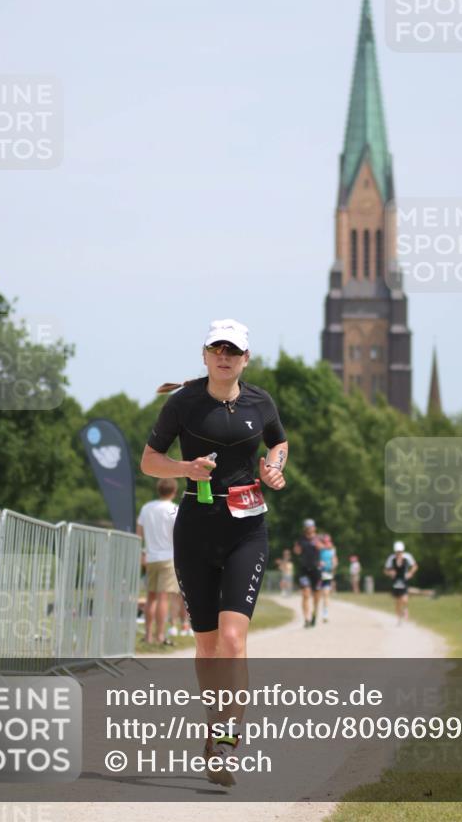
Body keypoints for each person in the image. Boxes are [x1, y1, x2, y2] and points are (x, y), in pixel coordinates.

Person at [140, 318, 288, 785]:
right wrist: (186, 467)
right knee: (206, 647)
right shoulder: (182, 403)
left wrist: (273, 468)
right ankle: (214, 726)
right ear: (204, 356)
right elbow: (148, 460)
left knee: (231, 641)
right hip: (196, 527)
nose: (224, 356)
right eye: (215, 348)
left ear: (246, 358)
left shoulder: (260, 402)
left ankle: (226, 739)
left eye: (233, 349)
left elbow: (278, 441)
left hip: (247, 528)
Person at [136, 478, 180, 646]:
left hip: (150, 557)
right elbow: (179, 534)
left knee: (150, 597)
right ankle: (160, 635)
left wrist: (141, 553)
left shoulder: (147, 508)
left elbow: (139, 532)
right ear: (174, 491)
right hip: (168, 557)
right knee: (163, 598)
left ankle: (147, 635)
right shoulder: (174, 509)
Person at [293, 519, 322, 627]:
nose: (309, 529)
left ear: (314, 527)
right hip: (304, 570)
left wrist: (316, 543)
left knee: (316, 595)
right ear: (305, 528)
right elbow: (296, 551)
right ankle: (306, 619)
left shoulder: (318, 538)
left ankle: (314, 614)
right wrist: (297, 547)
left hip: (316, 570)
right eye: (307, 527)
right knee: (305, 594)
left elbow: (322, 547)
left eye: (311, 526)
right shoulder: (301, 540)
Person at [383, 541, 418, 625]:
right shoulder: (391, 558)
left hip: (404, 580)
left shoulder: (407, 557)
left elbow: (415, 566)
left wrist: (410, 573)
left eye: (400, 551)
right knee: (398, 601)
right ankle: (399, 618)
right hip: (395, 581)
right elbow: (385, 570)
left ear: (403, 551)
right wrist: (390, 573)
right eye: (397, 552)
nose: (399, 553)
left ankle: (405, 609)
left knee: (405, 599)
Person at [318, 533, 338, 623]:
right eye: (325, 541)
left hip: (327, 574)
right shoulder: (318, 549)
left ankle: (325, 614)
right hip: (317, 574)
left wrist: (333, 566)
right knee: (317, 594)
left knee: (326, 594)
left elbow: (335, 560)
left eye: (328, 541)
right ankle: (314, 612)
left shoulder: (332, 550)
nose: (327, 543)